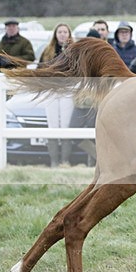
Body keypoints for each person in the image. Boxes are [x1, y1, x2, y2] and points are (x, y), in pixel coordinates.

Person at [40, 24, 77, 167]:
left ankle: (65, 160)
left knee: (66, 126)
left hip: (68, 91)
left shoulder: (74, 51)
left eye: (65, 32)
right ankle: (54, 161)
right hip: (51, 91)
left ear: (69, 34)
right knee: (53, 126)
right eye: (59, 32)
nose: (62, 34)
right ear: (55, 34)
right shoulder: (48, 51)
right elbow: (40, 70)